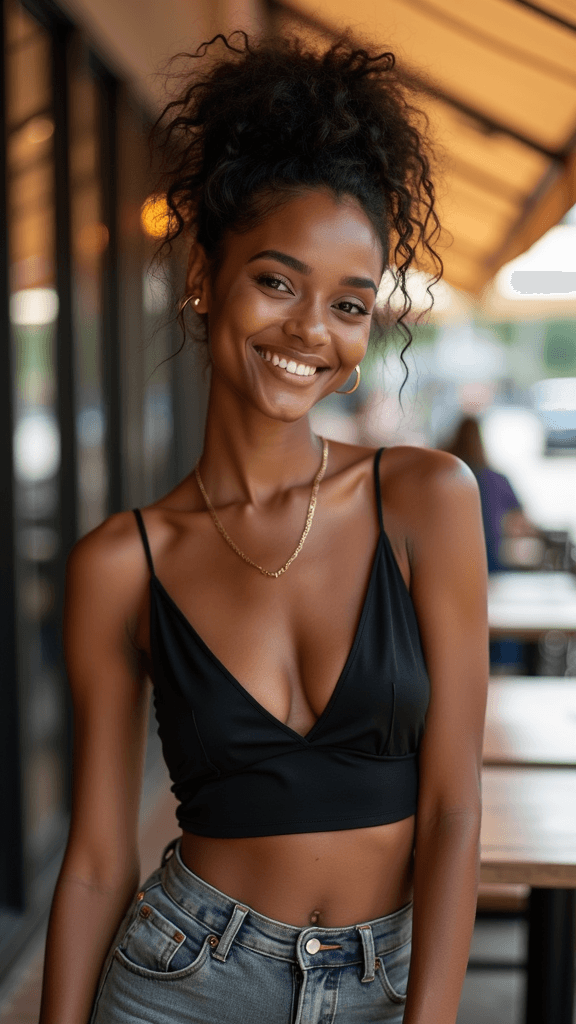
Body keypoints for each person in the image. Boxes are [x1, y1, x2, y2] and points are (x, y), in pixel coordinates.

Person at [38, 32, 488, 1024]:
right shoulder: (121, 563)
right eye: (278, 282)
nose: (310, 330)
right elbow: (98, 859)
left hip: (384, 982)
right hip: (181, 979)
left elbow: (455, 807)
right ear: (206, 275)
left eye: (350, 304)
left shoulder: (427, 500)